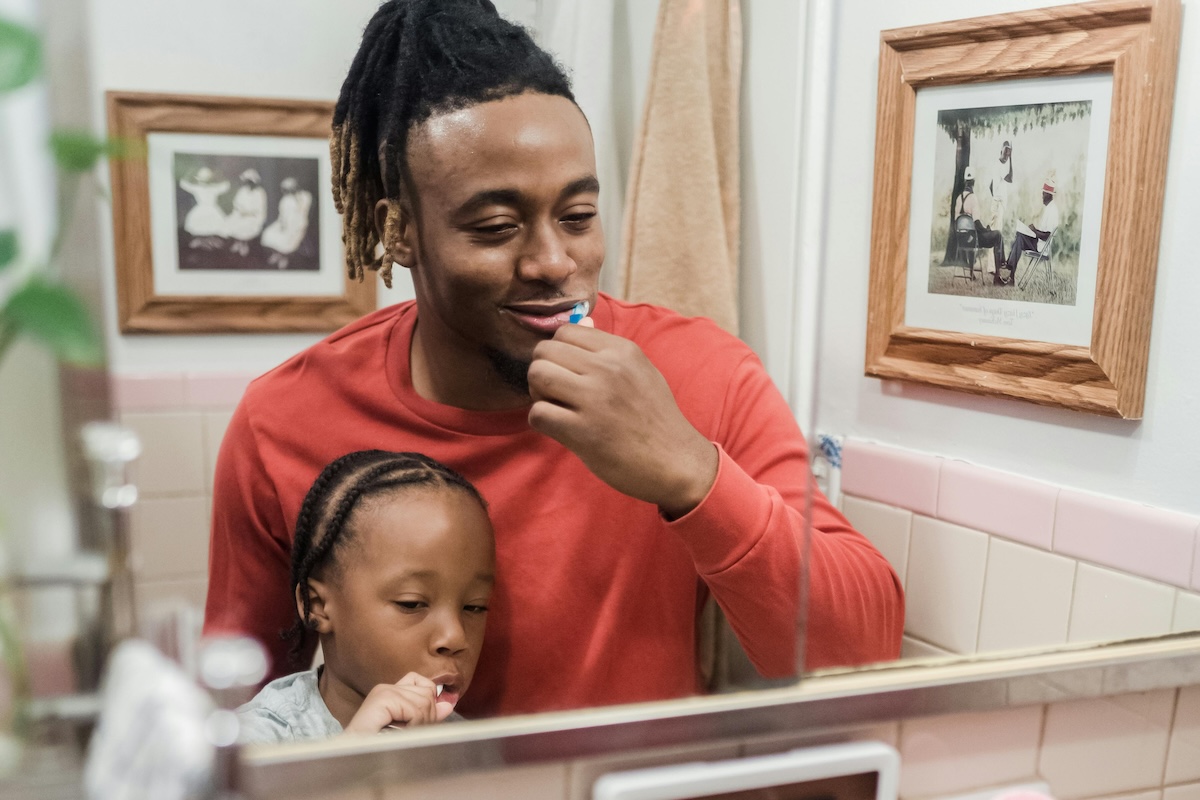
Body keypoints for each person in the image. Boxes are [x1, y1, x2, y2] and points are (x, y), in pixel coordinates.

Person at [206, 0, 903, 718]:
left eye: (577, 217)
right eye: (496, 227)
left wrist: (692, 475)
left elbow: (867, 656)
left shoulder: (701, 374)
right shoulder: (284, 420)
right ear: (400, 231)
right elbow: (240, 720)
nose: (553, 262)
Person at [236, 450, 494, 744]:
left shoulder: (466, 747)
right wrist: (355, 751)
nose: (455, 637)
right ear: (318, 605)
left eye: (474, 606)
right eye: (411, 603)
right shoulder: (256, 742)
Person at [953, 166, 1005, 283]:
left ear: (965, 181)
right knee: (997, 235)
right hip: (973, 239)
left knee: (972, 234)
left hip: (961, 240)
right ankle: (997, 276)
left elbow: (957, 221)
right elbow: (976, 223)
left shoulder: (958, 199)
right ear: (973, 182)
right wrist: (987, 230)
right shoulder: (973, 198)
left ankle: (971, 274)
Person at [1005, 175, 1059, 275]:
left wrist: (1034, 231)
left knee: (1020, 237)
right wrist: (1032, 231)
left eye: (1043, 194)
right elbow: (1044, 232)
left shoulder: (1052, 211)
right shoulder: (1049, 208)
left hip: (1042, 248)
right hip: (1039, 243)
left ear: (1048, 194)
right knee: (1019, 234)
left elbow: (1047, 236)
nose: (1042, 196)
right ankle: (1009, 267)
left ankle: (1009, 268)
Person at [261, 177, 314, 269]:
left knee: (286, 239)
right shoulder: (285, 200)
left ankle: (284, 257)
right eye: (286, 190)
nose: (288, 192)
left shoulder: (305, 196)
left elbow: (304, 211)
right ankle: (277, 254)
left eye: (290, 189)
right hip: (285, 223)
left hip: (298, 224)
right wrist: (282, 224)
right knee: (269, 233)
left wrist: (297, 197)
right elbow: (282, 215)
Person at [226, 169, 269, 256]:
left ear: (254, 182)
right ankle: (238, 242)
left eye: (250, 181)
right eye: (246, 181)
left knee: (246, 225)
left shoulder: (260, 192)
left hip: (254, 216)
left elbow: (260, 208)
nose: (248, 183)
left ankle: (244, 244)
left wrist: (248, 213)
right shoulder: (242, 190)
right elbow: (237, 203)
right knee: (232, 221)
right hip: (242, 214)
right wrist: (240, 210)